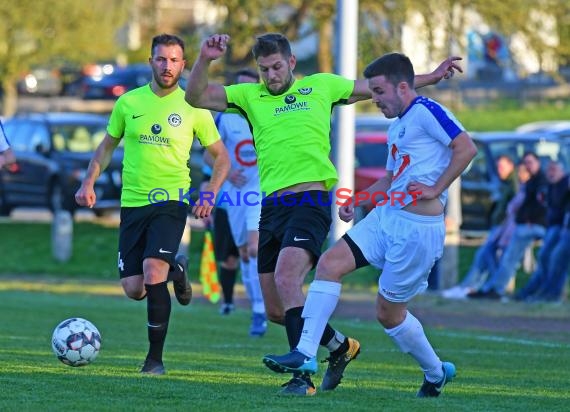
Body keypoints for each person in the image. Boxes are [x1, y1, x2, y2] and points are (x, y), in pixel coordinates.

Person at [185, 33, 462, 395]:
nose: (271, 75)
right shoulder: (248, 97)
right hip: (272, 207)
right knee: (276, 309)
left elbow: (377, 87)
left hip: (311, 201)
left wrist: (431, 76)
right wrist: (205, 59)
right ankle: (340, 348)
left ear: (292, 63)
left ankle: (302, 377)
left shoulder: (321, 87)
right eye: (264, 69)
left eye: (277, 66)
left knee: (289, 277)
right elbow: (195, 96)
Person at [262, 52, 476, 398]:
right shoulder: (398, 126)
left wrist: (437, 188)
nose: (373, 99)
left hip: (418, 233)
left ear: (402, 87)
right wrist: (357, 200)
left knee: (388, 314)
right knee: (329, 265)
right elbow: (391, 180)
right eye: (372, 92)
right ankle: (305, 354)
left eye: (378, 92)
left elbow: (466, 148)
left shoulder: (428, 112)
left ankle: (435, 372)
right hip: (387, 218)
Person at [75, 33, 230, 375]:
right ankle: (176, 268)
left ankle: (154, 360)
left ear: (183, 64)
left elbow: (221, 157)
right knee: (134, 288)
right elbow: (105, 146)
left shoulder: (194, 105)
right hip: (132, 205)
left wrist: (210, 191)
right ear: (151, 61)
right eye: (161, 59)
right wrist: (88, 181)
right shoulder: (128, 103)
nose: (167, 66)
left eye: (174, 60)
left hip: (171, 202)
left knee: (151, 271)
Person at [215, 68, 267, 336]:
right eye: (239, 88)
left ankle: (260, 311)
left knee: (256, 247)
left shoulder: (266, 114)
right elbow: (211, 154)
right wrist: (224, 170)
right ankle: (256, 306)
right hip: (235, 193)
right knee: (244, 252)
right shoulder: (224, 118)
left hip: (259, 189)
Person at [468, 152, 547, 299]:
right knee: (496, 254)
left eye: (531, 162)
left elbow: (542, 205)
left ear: (538, 163)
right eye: (525, 163)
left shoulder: (539, 182)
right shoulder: (529, 183)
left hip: (530, 226)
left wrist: (529, 219)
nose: (528, 167)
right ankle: (491, 288)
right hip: (519, 226)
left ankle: (494, 289)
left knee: (505, 257)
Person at [441, 155, 517, 299]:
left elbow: (512, 211)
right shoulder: (506, 183)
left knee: (490, 256)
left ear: (511, 166)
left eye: (502, 166)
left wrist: (503, 230)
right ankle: (481, 288)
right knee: (486, 256)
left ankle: (483, 288)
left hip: (505, 228)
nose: (499, 170)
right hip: (500, 227)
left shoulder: (514, 183)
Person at [515, 160, 569, 301]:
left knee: (557, 257)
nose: (550, 173)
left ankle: (552, 294)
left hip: (563, 228)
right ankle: (542, 291)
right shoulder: (552, 186)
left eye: (554, 169)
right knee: (545, 256)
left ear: (561, 171)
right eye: (549, 170)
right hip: (556, 227)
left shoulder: (565, 184)